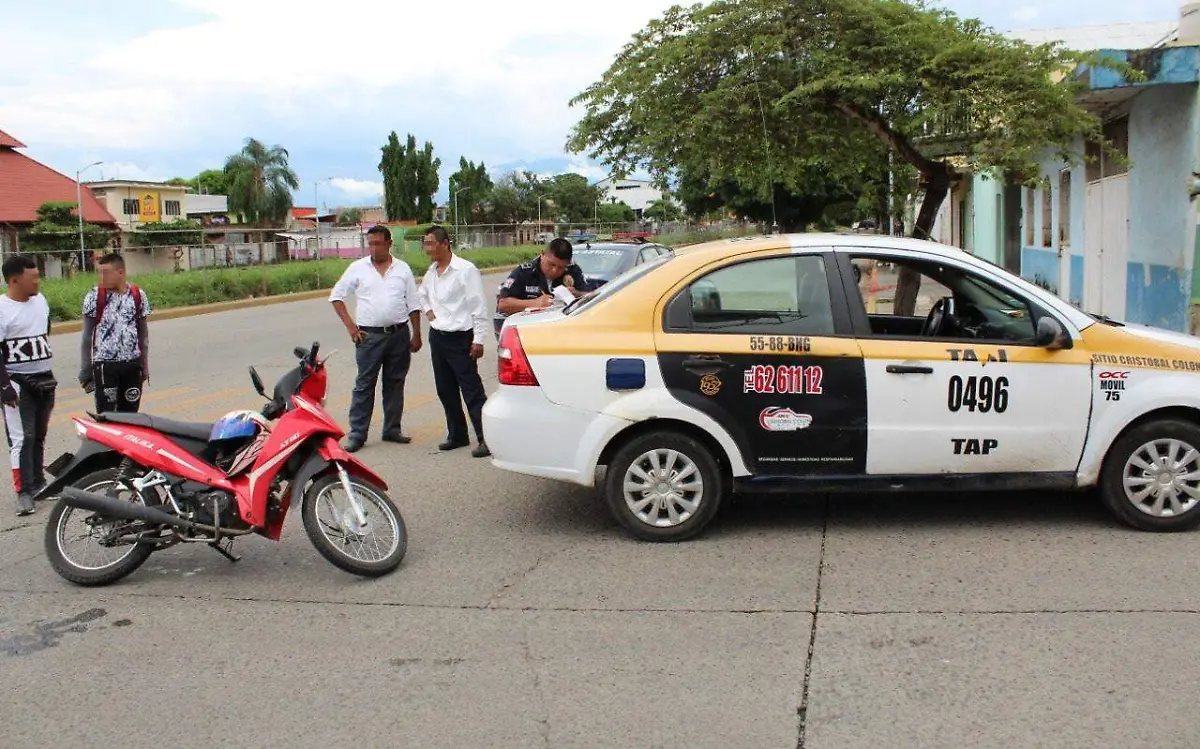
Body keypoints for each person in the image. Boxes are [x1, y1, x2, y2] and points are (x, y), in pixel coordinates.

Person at [329, 224, 422, 452]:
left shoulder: (402, 269)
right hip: (369, 337)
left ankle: (392, 429)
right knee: (364, 385)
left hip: (399, 335)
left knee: (395, 383)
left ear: (389, 244)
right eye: (370, 244)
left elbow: (413, 303)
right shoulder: (357, 268)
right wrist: (351, 328)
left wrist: (417, 334)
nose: (373, 248)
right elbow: (336, 297)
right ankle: (357, 434)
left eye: (378, 243)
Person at [417, 225, 490, 458]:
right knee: (445, 389)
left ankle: (487, 438)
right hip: (438, 337)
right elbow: (421, 295)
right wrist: (429, 313)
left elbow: (478, 306)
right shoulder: (431, 272)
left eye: (431, 243)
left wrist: (479, 339)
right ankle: (457, 434)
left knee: (472, 390)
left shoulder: (465, 270)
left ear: (445, 244)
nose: (427, 248)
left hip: (461, 338)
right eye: (425, 244)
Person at [0, 256, 56, 516]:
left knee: (39, 435)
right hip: (17, 383)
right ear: (14, 280)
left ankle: (38, 482)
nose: (37, 281)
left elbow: (45, 330)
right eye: (32, 277)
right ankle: (24, 491)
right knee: (22, 438)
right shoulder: (2, 308)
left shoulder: (40, 300)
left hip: (44, 379)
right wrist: (5, 387)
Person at [79, 252, 152, 413]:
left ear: (120, 273)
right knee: (107, 416)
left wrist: (144, 366)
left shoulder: (137, 295)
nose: (101, 277)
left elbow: (143, 334)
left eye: (106, 272)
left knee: (130, 415)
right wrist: (86, 369)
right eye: (99, 272)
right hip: (106, 365)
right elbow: (87, 336)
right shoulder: (94, 296)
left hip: (132, 364)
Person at [493, 238, 587, 338]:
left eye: (561, 267)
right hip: (526, 333)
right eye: (551, 264)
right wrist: (535, 303)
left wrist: (578, 294)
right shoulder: (524, 272)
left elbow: (592, 297)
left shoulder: (573, 271)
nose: (554, 270)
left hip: (561, 332)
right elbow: (503, 304)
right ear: (542, 255)